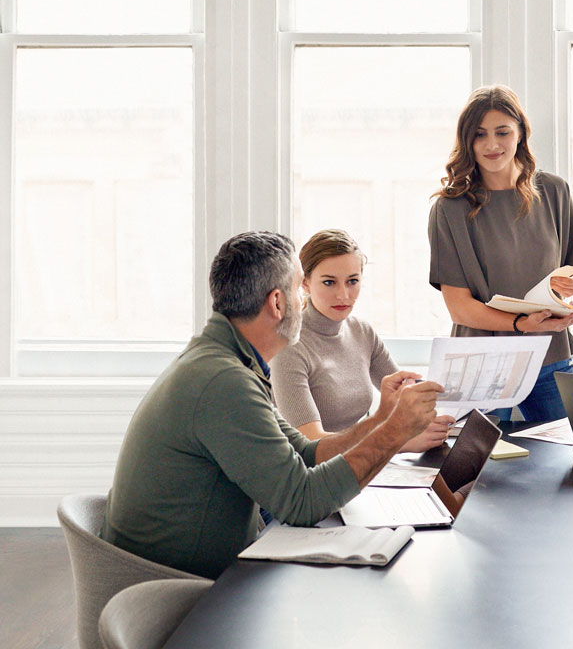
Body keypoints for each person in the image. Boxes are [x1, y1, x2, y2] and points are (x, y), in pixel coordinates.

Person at [101, 232, 442, 578]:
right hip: (177, 591)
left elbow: (307, 452)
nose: (302, 300)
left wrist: (382, 420)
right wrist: (395, 433)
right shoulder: (224, 382)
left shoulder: (225, 360)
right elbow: (302, 503)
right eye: (298, 289)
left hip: (199, 569)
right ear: (278, 303)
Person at [428, 84, 573, 423]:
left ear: (521, 134)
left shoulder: (555, 191)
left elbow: (567, 272)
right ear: (467, 140)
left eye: (503, 132)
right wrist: (520, 325)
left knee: (572, 462)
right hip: (482, 362)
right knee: (477, 469)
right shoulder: (450, 208)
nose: (492, 144)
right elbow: (459, 307)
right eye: (479, 134)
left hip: (551, 354)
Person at [270, 229, 456, 450]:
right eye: (329, 282)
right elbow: (310, 443)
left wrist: (437, 412)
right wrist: (397, 441)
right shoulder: (288, 348)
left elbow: (404, 397)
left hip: (353, 464)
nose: (343, 295)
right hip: (307, 473)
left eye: (352, 281)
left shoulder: (362, 332)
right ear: (305, 283)